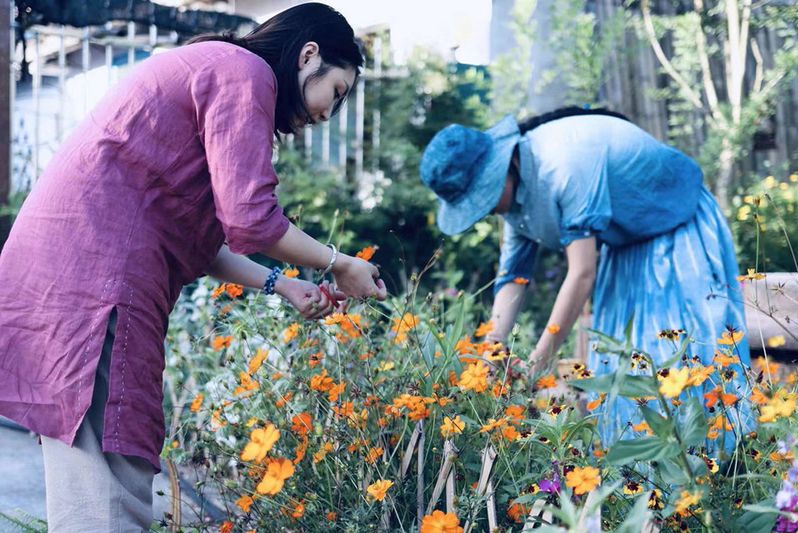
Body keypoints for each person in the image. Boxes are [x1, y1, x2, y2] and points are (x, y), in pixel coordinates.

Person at [0, 3, 386, 531]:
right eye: (335, 93)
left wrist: (284, 284)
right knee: (107, 491)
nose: (325, 115)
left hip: (72, 277)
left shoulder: (214, 68)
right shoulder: (243, 73)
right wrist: (339, 263)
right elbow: (252, 220)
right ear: (308, 55)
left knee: (95, 473)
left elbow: (200, 244)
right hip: (95, 289)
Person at [420, 106, 750, 444]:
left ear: (503, 166)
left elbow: (581, 274)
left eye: (484, 197)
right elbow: (512, 278)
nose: (486, 209)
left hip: (675, 225)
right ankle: (638, 487)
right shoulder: (515, 202)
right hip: (626, 245)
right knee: (620, 369)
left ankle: (712, 476)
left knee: (674, 358)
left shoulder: (563, 165)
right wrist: (492, 352)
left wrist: (539, 363)